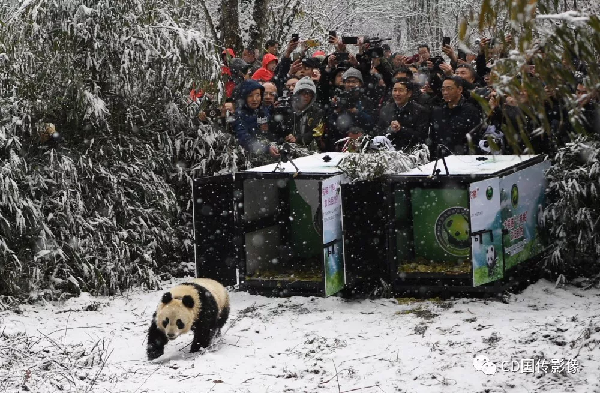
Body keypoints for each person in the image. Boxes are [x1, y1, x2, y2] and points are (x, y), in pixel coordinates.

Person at [430, 76, 482, 156]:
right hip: (441, 158)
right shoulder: (438, 111)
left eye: (449, 89)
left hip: (463, 158)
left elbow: (474, 139)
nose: (445, 92)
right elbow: (433, 138)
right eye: (443, 89)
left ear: (459, 90)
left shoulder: (470, 111)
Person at [377, 78, 430, 151]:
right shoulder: (386, 110)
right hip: (388, 152)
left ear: (409, 93)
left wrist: (401, 129)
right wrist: (389, 130)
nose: (397, 94)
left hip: (411, 152)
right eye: (395, 90)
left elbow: (421, 136)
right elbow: (378, 133)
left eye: (401, 90)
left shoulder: (420, 111)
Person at [272, 77, 325, 148]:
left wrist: (298, 138)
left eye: (310, 93)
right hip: (286, 147)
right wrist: (285, 138)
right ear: (297, 93)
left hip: (309, 149)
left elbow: (317, 133)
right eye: (303, 92)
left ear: (313, 96)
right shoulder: (285, 108)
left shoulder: (317, 111)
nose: (306, 96)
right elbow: (276, 130)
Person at [234, 80, 279, 158]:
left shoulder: (264, 110)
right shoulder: (238, 115)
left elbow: (271, 132)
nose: (255, 99)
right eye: (250, 95)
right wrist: (266, 148)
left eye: (258, 95)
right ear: (244, 97)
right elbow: (244, 139)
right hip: (248, 156)